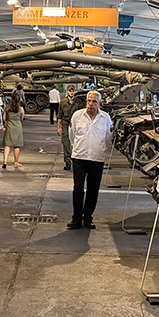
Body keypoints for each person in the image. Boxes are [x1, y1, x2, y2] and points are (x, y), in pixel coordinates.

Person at [67, 90, 112, 230]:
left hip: (96, 158)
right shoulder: (77, 116)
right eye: (89, 101)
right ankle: (76, 218)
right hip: (79, 157)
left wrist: (99, 148)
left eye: (94, 102)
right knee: (78, 188)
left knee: (93, 189)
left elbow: (108, 137)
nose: (90, 104)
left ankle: (88, 218)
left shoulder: (106, 118)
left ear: (100, 103)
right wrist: (78, 148)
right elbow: (72, 135)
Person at [56, 86, 78, 170]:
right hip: (65, 124)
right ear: (67, 92)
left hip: (76, 126)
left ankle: (76, 162)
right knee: (66, 144)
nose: (71, 92)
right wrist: (58, 128)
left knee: (76, 144)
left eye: (73, 91)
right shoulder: (63, 103)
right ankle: (68, 162)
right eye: (70, 91)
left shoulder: (78, 103)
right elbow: (59, 116)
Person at [2, 94, 24, 169]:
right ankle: (16, 162)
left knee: (7, 145)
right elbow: (22, 117)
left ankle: (5, 161)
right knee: (16, 146)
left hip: (9, 127)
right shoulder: (21, 109)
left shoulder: (7, 108)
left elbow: (4, 118)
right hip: (17, 127)